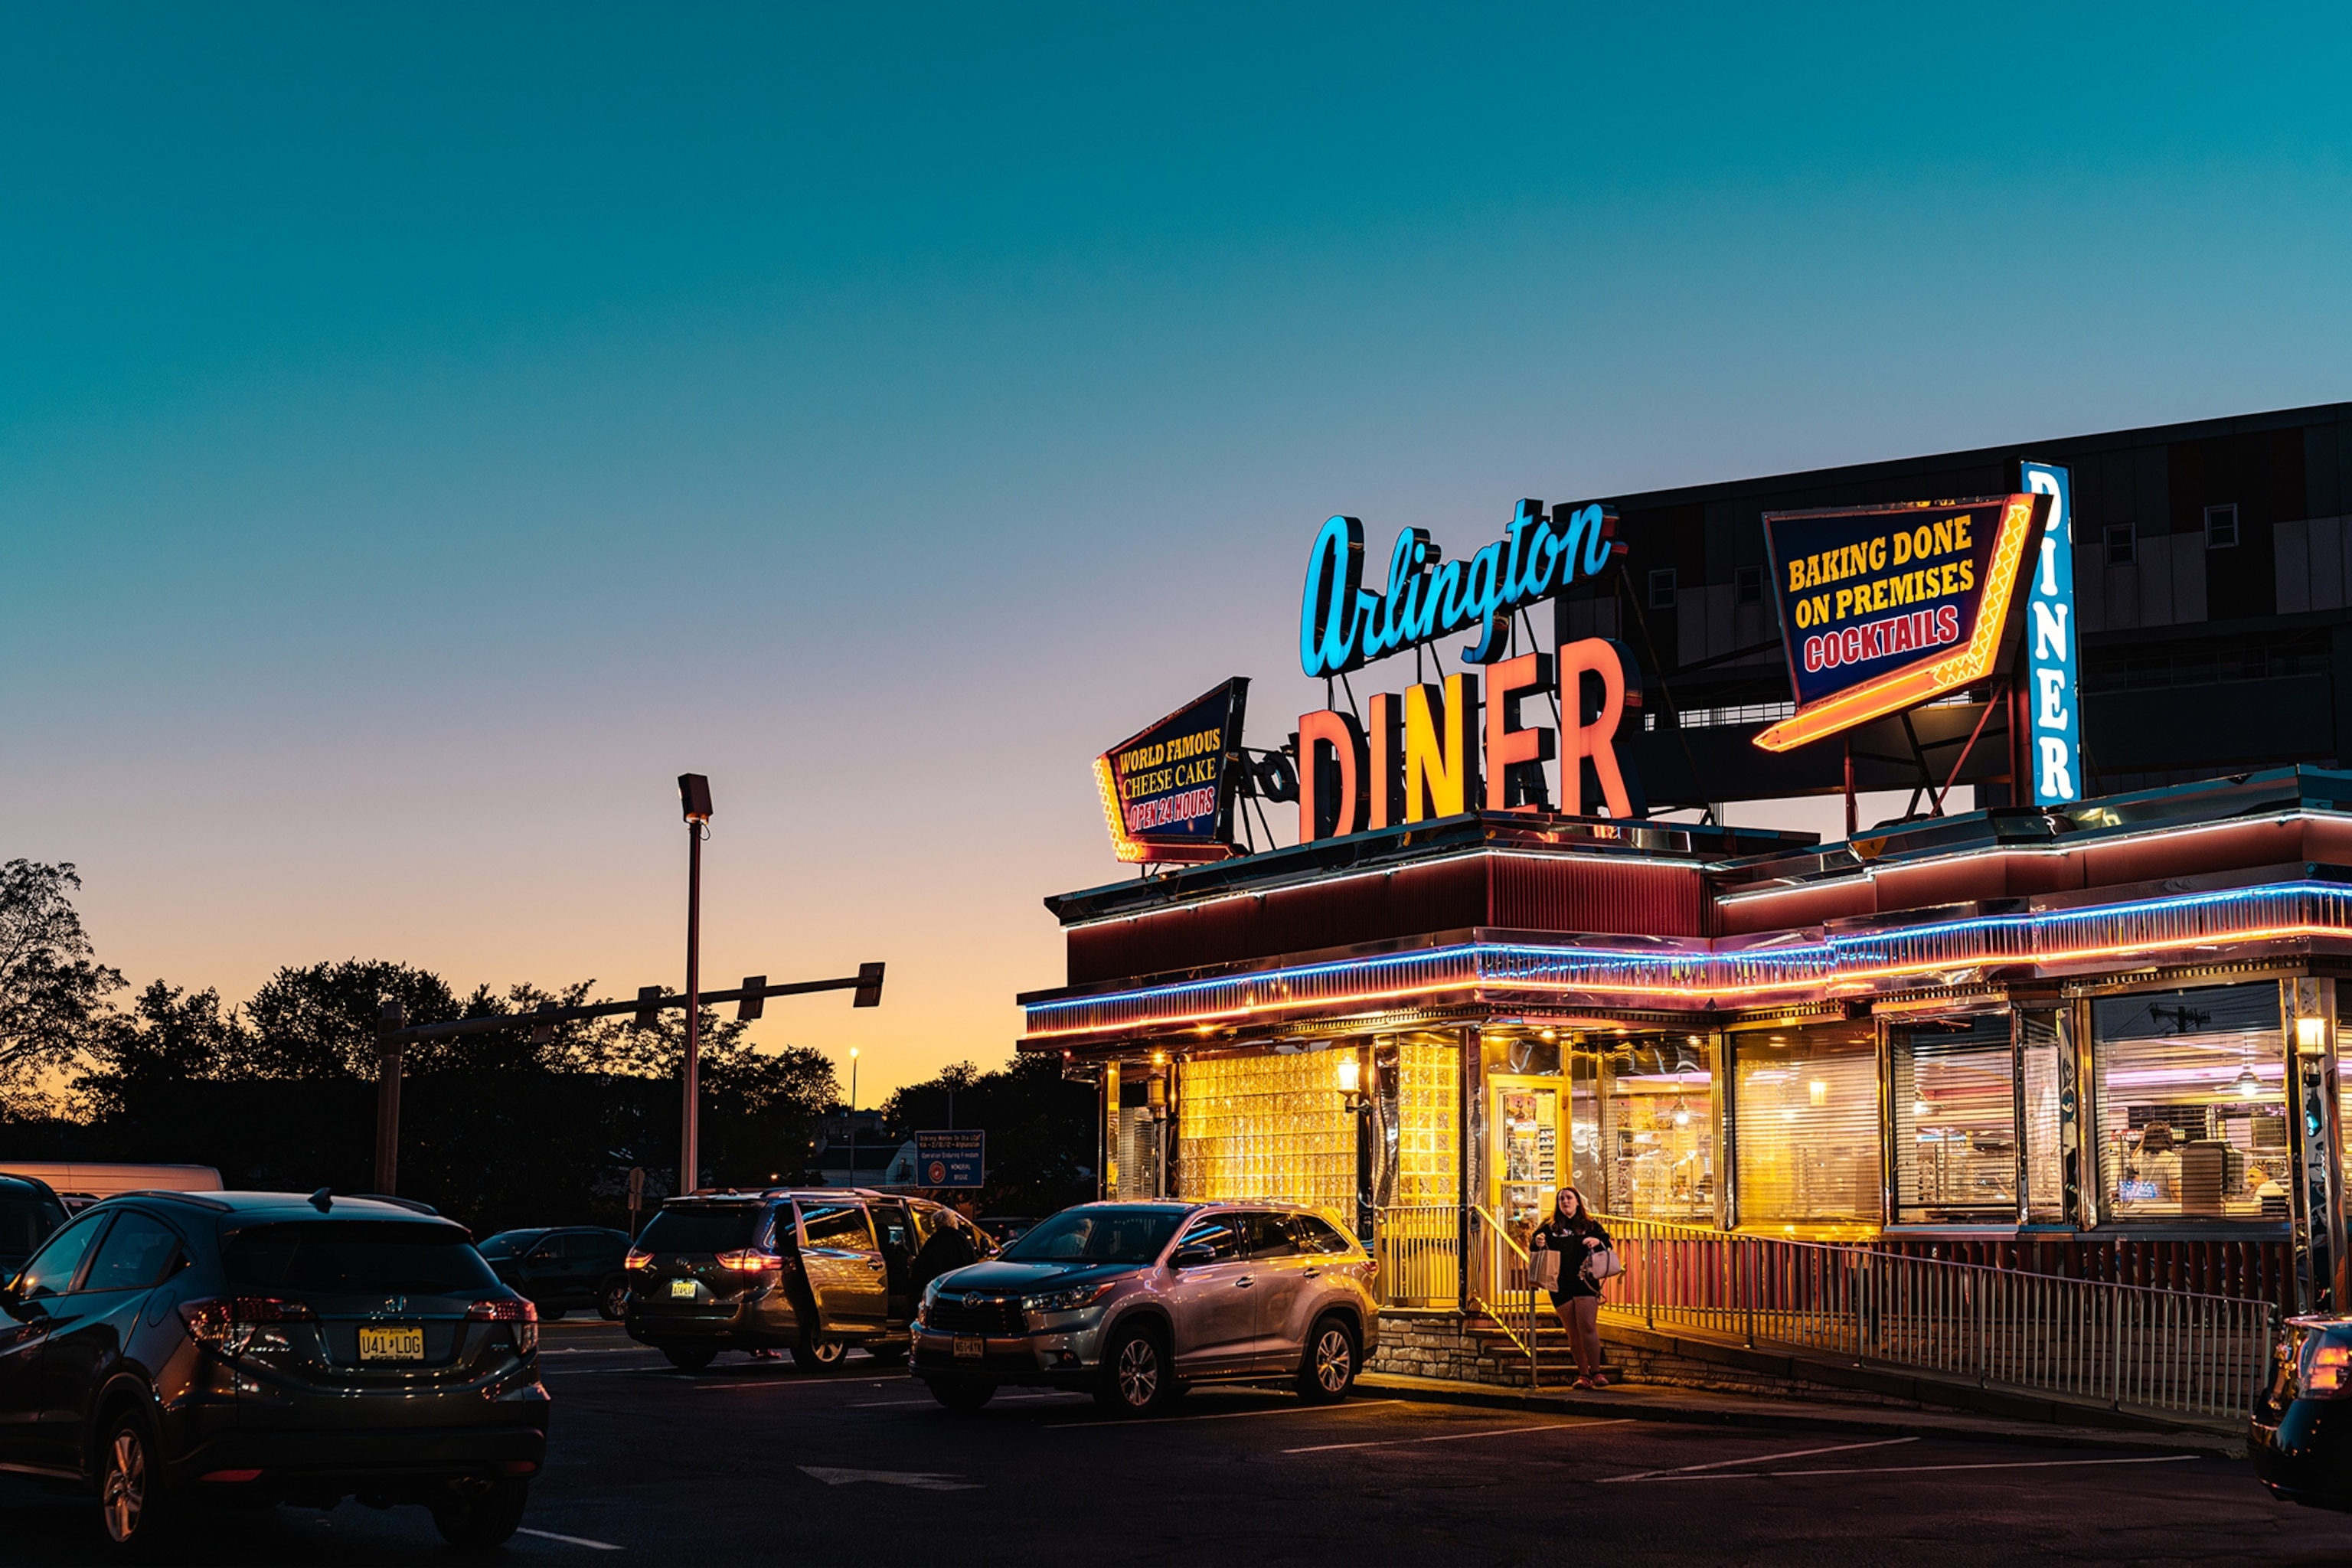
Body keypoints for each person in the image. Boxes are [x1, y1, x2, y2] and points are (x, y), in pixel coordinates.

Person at [1528, 1184, 1611, 1389]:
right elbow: (1533, 1245)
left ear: (1577, 1202)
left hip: (1585, 1281)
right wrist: (1537, 1242)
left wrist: (1596, 1241)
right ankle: (1583, 1374)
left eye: (1569, 1198)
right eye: (1561, 1199)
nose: (1565, 1201)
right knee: (1572, 1331)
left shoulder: (1590, 1225)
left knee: (1588, 1328)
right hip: (1559, 1283)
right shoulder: (1550, 1227)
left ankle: (1597, 1371)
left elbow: (1606, 1244)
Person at [911, 1203, 981, 1290]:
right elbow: (972, 1264)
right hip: (960, 1285)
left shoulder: (933, 1242)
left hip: (937, 1286)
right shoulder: (963, 1241)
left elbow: (922, 1267)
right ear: (953, 1222)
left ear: (936, 1224)